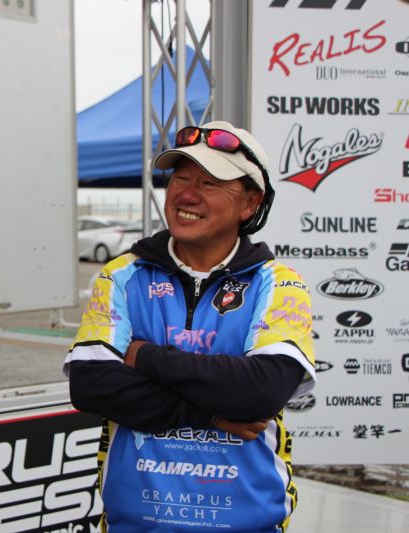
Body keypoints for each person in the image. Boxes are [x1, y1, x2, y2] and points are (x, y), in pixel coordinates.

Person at [65, 121, 316, 532]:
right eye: (180, 178)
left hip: (249, 524)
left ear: (250, 203)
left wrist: (146, 357)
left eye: (210, 183)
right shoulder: (122, 275)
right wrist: (212, 415)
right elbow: (91, 385)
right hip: (136, 524)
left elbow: (262, 391)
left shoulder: (278, 283)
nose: (187, 194)